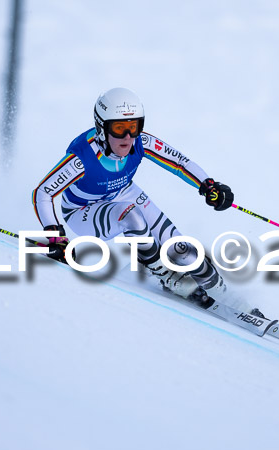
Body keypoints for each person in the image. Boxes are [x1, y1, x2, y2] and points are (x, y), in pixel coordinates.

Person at [31, 87, 237, 303]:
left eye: (134, 127)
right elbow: (43, 192)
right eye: (119, 128)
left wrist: (209, 186)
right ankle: (166, 277)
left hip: (122, 192)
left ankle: (225, 295)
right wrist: (56, 237)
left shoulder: (140, 142)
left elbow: (179, 163)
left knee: (183, 251)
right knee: (130, 216)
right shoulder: (82, 156)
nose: (128, 137)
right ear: (102, 127)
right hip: (83, 210)